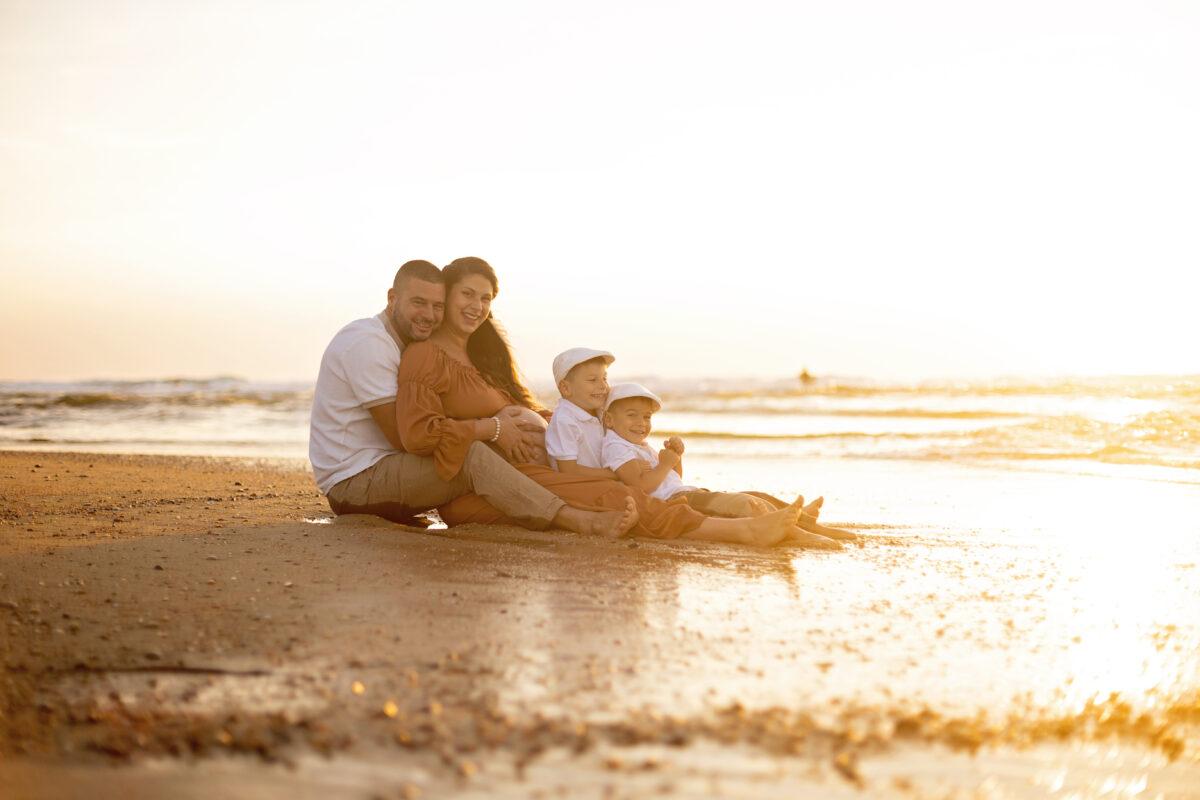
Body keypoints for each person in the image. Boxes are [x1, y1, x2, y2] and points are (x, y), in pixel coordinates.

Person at [395, 257, 809, 547]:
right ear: (447, 297)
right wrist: (495, 427)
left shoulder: (486, 357)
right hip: (495, 486)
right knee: (613, 492)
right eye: (467, 294)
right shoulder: (425, 357)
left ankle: (772, 513)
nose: (477, 307)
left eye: (486, 298)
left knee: (631, 473)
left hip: (539, 466)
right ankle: (743, 531)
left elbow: (533, 410)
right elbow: (420, 434)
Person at [307, 259, 637, 538]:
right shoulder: (368, 344)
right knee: (467, 456)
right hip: (354, 482)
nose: (429, 315)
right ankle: (576, 519)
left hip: (386, 469)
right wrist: (491, 428)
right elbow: (406, 438)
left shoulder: (405, 341)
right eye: (418, 303)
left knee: (472, 449)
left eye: (437, 305)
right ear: (392, 298)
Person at [600, 383, 857, 542]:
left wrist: (675, 459)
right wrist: (665, 464)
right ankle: (796, 531)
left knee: (754, 494)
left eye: (646, 417)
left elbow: (670, 478)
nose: (641, 423)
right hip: (676, 502)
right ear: (609, 420)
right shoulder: (615, 446)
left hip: (687, 492)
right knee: (742, 503)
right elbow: (641, 486)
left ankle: (803, 518)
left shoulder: (638, 445)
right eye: (632, 415)